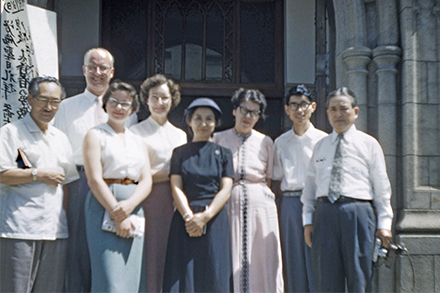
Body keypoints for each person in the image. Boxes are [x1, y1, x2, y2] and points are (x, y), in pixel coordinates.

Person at [53, 47, 137, 291]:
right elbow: (58, 152)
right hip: (79, 184)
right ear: (83, 70)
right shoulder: (66, 107)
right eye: (92, 67)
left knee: (110, 249)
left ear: (112, 72)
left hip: (116, 186)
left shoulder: (126, 110)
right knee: (78, 250)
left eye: (103, 68)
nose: (97, 72)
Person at [301, 87, 393, 292]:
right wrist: (308, 221)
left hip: (358, 214)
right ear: (327, 113)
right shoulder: (320, 146)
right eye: (332, 109)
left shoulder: (369, 144)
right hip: (325, 216)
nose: (338, 114)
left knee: (359, 278)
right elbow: (310, 188)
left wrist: (384, 223)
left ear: (356, 111)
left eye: (343, 108)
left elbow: (381, 187)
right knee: (326, 279)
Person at [0, 77, 79, 292]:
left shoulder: (60, 138)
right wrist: (38, 174)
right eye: (43, 100)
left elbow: (69, 183)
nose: (49, 107)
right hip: (20, 229)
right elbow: (2, 174)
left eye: (55, 101)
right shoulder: (11, 132)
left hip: (55, 230)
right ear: (29, 99)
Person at [82, 81, 152, 292]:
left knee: (132, 279)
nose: (119, 107)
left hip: (134, 207)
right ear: (105, 104)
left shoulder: (138, 141)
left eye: (125, 103)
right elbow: (94, 179)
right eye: (114, 102)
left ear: (133, 108)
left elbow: (146, 180)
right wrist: (118, 213)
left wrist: (130, 206)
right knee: (110, 281)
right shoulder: (95, 135)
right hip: (105, 205)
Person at [214, 88, 284, 293]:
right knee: (230, 255)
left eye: (254, 112)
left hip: (261, 210)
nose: (248, 116)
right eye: (244, 110)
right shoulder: (218, 139)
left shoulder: (266, 142)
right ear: (234, 110)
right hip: (228, 206)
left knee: (262, 257)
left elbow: (269, 180)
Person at [163, 98, 234, 292]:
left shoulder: (225, 153)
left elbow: (226, 188)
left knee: (214, 271)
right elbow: (176, 187)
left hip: (214, 218)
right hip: (185, 219)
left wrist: (205, 216)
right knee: (184, 273)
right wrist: (189, 217)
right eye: (198, 118)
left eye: (209, 119)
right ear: (189, 121)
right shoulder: (179, 153)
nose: (203, 123)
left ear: (216, 123)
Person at [130, 74, 186, 292]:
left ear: (172, 99)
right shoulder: (136, 132)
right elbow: (138, 174)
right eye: (155, 98)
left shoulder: (180, 134)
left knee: (170, 252)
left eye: (164, 97)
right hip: (148, 199)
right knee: (149, 253)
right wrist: (173, 173)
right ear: (146, 100)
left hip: (175, 200)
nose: (160, 103)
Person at [272, 84, 327, 292]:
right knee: (292, 258)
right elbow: (276, 179)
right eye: (293, 105)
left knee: (317, 257)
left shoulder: (324, 140)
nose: (299, 110)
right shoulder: (280, 142)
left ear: (313, 106)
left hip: (316, 202)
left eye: (303, 104)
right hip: (291, 202)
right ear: (287, 109)